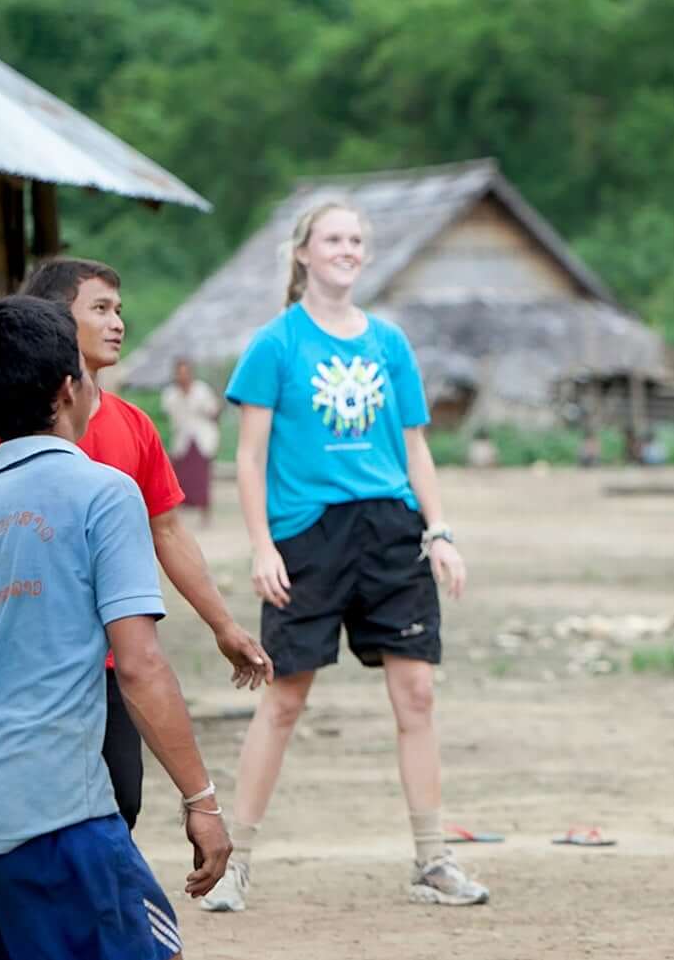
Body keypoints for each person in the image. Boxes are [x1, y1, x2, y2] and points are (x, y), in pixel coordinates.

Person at [200, 200, 486, 912]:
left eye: (356, 239)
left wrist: (440, 530)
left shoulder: (390, 343)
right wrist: (261, 545)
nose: (347, 249)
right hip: (307, 534)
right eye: (333, 238)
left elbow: (414, 446)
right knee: (285, 698)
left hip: (391, 529)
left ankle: (432, 859)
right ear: (302, 252)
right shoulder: (276, 344)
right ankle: (233, 864)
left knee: (416, 694)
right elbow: (249, 456)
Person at [0, 296, 231, 958]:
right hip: (58, 817)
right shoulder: (104, 492)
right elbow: (139, 666)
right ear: (68, 388)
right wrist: (202, 798)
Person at [0, 258, 271, 832]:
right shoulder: (0, 427)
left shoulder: (135, 426)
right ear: (55, 323)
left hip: (115, 658)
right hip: (33, 656)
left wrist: (224, 624)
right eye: (100, 309)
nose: (117, 322)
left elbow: (167, 530)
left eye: (119, 310)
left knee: (121, 800)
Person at [161, 357, 222, 527]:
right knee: (179, 478)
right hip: (181, 440)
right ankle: (177, 518)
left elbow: (214, 411)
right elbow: (170, 416)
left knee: (201, 479)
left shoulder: (201, 391)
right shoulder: (171, 394)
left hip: (201, 439)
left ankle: (205, 516)